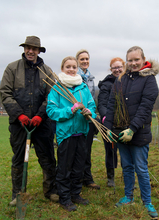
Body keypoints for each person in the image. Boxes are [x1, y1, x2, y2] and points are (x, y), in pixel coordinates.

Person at [0, 36, 58, 206]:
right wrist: (19, 115)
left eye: (34, 48)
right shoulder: (12, 68)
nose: (30, 51)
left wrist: (40, 115)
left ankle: (50, 190)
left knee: (47, 158)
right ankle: (18, 194)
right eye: (27, 48)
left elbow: (52, 96)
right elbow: (5, 93)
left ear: (39, 51)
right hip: (19, 125)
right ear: (24, 49)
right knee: (18, 159)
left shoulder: (47, 71)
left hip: (42, 124)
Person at [104, 46, 159, 219]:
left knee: (141, 168)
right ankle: (128, 196)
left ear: (143, 60)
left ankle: (147, 202)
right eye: (130, 60)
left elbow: (145, 107)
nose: (133, 63)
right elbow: (112, 104)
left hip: (139, 132)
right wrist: (110, 128)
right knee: (127, 166)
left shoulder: (149, 80)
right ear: (126, 61)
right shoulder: (121, 79)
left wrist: (133, 129)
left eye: (137, 60)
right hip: (121, 132)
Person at [46, 56, 97, 211]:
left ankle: (75, 194)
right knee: (64, 168)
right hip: (66, 134)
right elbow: (51, 111)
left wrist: (90, 113)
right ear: (62, 68)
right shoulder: (57, 88)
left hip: (82, 132)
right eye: (68, 67)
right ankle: (65, 198)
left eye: (74, 67)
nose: (71, 69)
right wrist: (70, 110)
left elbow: (92, 106)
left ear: (77, 69)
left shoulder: (83, 87)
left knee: (78, 166)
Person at [97, 57, 125, 187]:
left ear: (124, 67)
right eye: (114, 67)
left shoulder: (129, 82)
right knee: (110, 150)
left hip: (125, 123)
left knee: (127, 151)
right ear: (111, 69)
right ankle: (111, 178)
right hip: (109, 123)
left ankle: (127, 176)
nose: (117, 69)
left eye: (119, 67)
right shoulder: (106, 84)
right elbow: (102, 104)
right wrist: (105, 118)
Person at [76, 49, 100, 190]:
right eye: (82, 59)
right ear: (77, 60)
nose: (85, 61)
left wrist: (93, 116)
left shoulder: (91, 78)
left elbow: (92, 99)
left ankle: (87, 178)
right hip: (77, 118)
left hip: (89, 118)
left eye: (87, 59)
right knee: (78, 149)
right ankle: (77, 179)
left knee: (87, 149)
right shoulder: (74, 76)